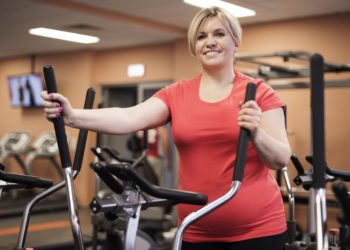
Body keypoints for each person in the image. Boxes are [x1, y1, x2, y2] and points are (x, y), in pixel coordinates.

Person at [41, 7, 291, 250]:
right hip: (195, 228)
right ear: (193, 46)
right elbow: (128, 117)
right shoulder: (177, 94)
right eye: (201, 36)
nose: (210, 42)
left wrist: (257, 133)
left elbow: (280, 159)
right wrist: (72, 116)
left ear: (236, 41)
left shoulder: (259, 93)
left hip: (257, 229)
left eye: (219, 34)